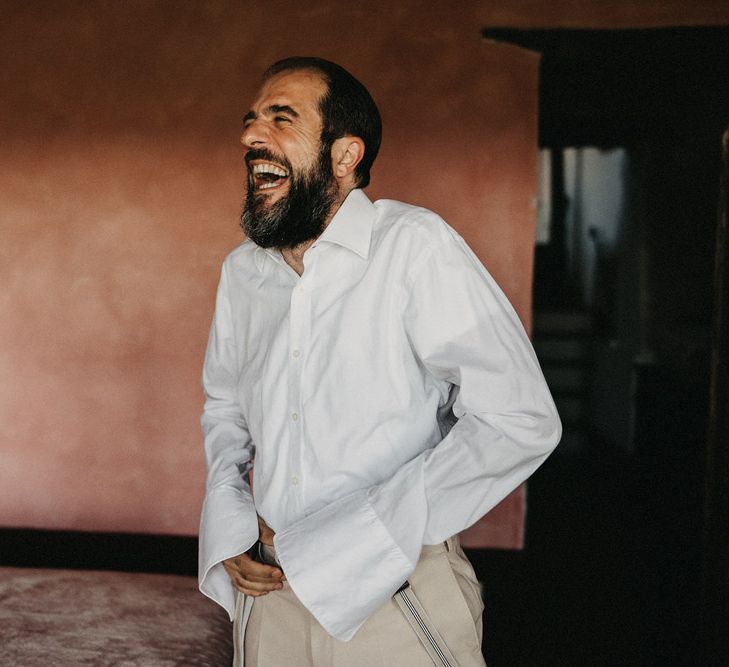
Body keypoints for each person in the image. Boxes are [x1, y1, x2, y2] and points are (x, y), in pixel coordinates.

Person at [199, 56, 561, 666]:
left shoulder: (415, 247)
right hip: (271, 601)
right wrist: (229, 520)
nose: (250, 137)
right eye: (250, 121)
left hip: (394, 599)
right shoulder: (243, 273)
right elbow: (226, 405)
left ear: (345, 155)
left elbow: (519, 420)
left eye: (280, 119)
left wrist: (364, 534)